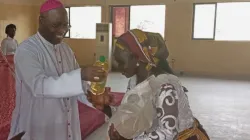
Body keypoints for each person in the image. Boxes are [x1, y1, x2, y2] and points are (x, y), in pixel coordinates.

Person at [8, 0, 109, 139]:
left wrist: (91, 97)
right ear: (41, 21)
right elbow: (39, 86)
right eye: (56, 25)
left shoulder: (66, 50)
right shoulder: (26, 50)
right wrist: (81, 74)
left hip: (65, 124)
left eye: (65, 25)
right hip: (36, 126)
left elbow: (77, 86)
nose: (62, 30)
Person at [108, 29, 209, 140]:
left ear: (137, 57)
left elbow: (169, 133)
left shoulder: (164, 86)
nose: (117, 66)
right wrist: (105, 107)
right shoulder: (134, 81)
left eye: (121, 61)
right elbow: (134, 113)